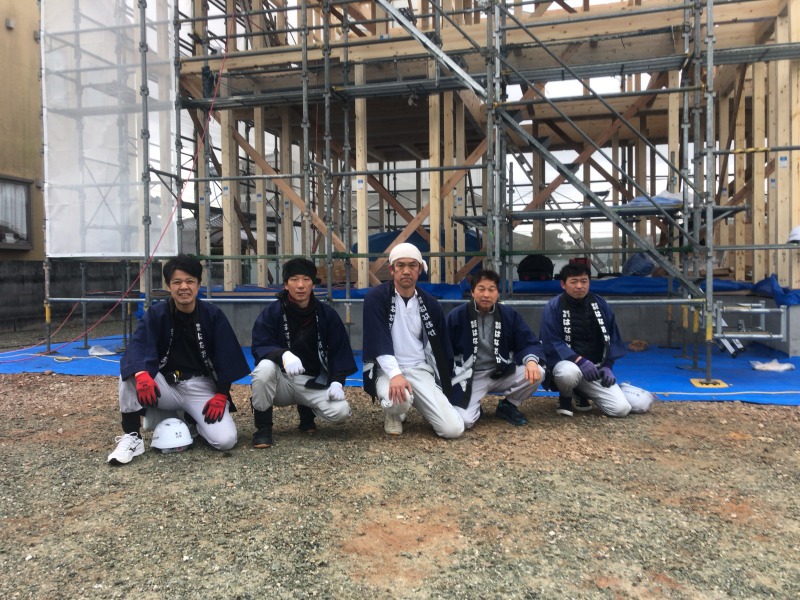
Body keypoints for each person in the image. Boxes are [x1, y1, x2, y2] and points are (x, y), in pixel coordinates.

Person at [108, 254, 250, 465]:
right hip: (164, 385)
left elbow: (226, 355)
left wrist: (222, 394)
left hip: (200, 386)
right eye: (177, 282)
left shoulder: (212, 315)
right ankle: (132, 436)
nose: (184, 287)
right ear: (168, 286)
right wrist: (141, 373)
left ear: (198, 284)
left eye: (190, 281)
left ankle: (191, 420)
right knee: (129, 372)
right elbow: (137, 347)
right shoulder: (157, 314)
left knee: (225, 441)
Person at [250, 257, 357, 448]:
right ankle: (263, 428)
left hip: (311, 382)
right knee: (264, 368)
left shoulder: (326, 314)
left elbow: (338, 349)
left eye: (306, 279)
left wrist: (337, 382)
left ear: (313, 284)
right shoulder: (272, 312)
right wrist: (283, 354)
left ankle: (307, 413)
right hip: (280, 382)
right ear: (285, 284)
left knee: (341, 411)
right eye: (294, 279)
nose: (300, 285)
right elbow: (261, 345)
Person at [362, 243, 464, 438]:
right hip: (387, 370)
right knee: (400, 400)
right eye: (400, 265)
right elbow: (378, 339)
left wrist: (445, 385)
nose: (406, 271)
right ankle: (395, 413)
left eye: (412, 265)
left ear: (420, 269)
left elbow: (442, 346)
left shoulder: (430, 303)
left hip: (419, 369)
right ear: (391, 269)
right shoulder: (376, 298)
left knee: (453, 430)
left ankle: (417, 401)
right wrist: (395, 375)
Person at [540, 261, 649, 417]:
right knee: (568, 373)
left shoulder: (600, 304)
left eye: (584, 281)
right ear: (563, 284)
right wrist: (580, 361)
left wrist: (608, 366)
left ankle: (581, 392)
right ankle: (566, 396)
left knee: (621, 409)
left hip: (594, 368)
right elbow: (552, 342)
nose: (579, 286)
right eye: (574, 282)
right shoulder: (553, 306)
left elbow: (612, 336)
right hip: (567, 365)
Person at [447, 269, 545, 428]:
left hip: (501, 372)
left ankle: (509, 405)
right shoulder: (457, 315)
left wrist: (531, 361)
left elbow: (528, 342)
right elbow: (444, 350)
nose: (486, 295)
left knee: (538, 371)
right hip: (470, 376)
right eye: (481, 289)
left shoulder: (508, 314)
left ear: (498, 293)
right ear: (472, 292)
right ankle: (475, 407)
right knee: (464, 421)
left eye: (491, 289)